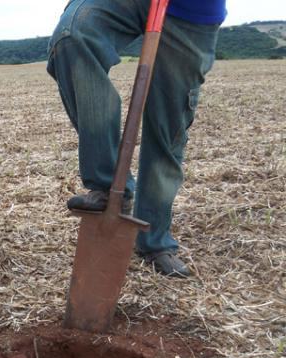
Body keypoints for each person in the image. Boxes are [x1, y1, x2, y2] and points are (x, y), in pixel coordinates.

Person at [47, 0, 226, 277]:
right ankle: (109, 186)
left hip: (192, 10)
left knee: (168, 126)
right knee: (75, 35)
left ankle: (154, 239)